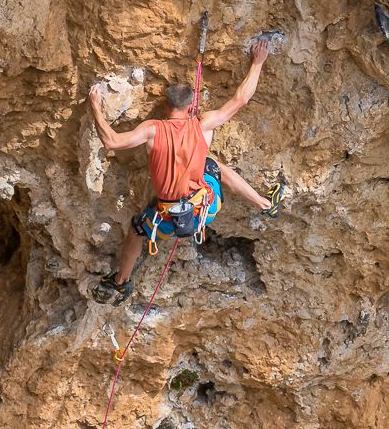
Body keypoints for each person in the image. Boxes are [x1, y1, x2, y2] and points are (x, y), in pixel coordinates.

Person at [89, 35, 281, 300]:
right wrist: (258, 62)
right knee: (213, 166)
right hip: (204, 210)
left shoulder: (152, 129)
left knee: (136, 231)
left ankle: (121, 281)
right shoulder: (202, 124)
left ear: (165, 106)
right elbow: (240, 99)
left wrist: (96, 107)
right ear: (190, 106)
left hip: (166, 220)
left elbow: (111, 141)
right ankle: (264, 204)